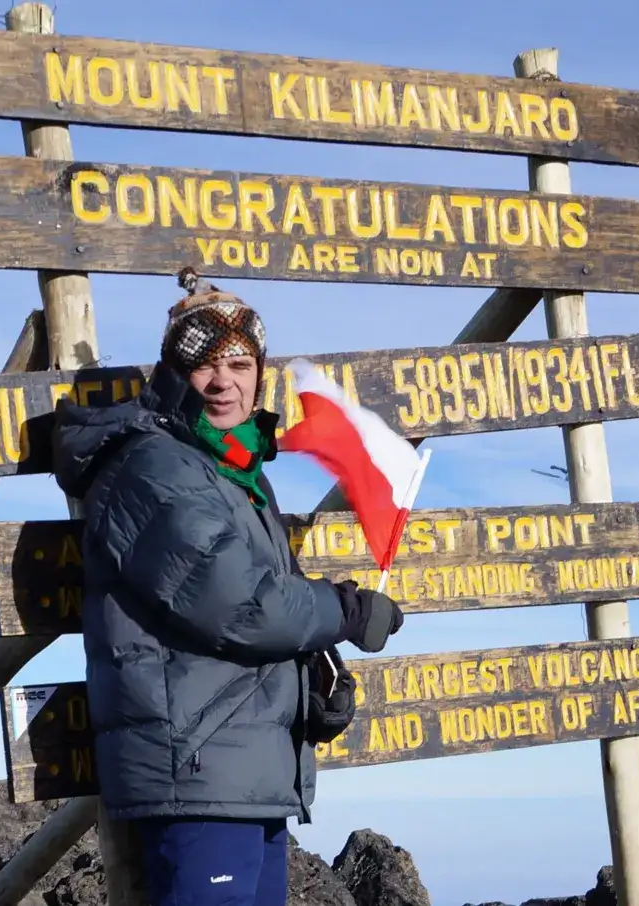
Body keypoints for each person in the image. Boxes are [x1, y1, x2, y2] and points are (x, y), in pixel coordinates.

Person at [51, 268, 406, 906]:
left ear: (259, 374)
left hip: (237, 768)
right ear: (172, 373)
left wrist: (312, 680)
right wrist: (345, 611)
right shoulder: (155, 466)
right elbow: (240, 605)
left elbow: (252, 601)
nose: (224, 381)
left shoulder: (232, 470)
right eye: (203, 365)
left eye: (240, 364)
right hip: (197, 768)